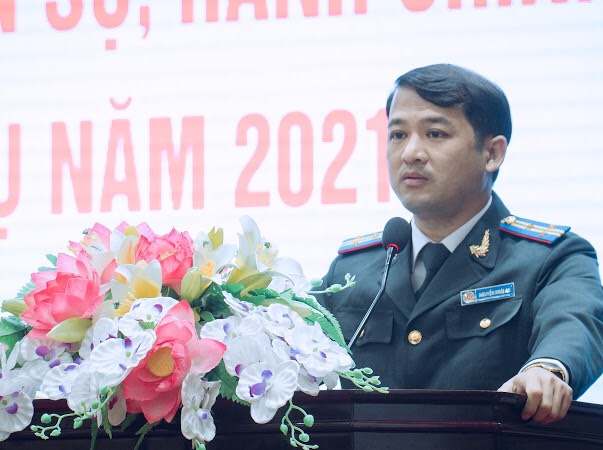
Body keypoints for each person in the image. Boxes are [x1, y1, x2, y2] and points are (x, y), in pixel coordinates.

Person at [315, 64, 603, 424]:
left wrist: (547, 369)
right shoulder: (350, 270)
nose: (410, 153)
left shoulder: (551, 258)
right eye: (398, 135)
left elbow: (576, 324)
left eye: (435, 133)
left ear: (492, 153)